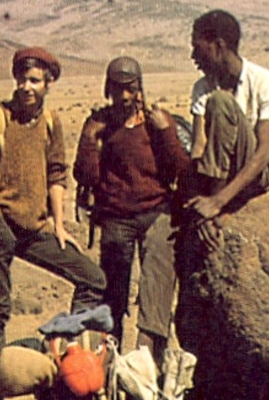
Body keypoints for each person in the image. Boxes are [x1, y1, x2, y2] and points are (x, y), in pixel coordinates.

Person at [0, 47, 108, 358]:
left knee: (92, 278)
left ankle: (72, 347)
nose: (26, 87)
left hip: (33, 226)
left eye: (34, 81)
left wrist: (59, 224)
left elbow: (57, 175)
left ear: (48, 83)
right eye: (22, 79)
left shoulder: (51, 122)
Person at [74, 56, 190, 361]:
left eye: (130, 88)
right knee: (113, 289)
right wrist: (89, 139)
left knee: (157, 282)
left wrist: (165, 131)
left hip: (156, 211)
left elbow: (181, 168)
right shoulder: (99, 124)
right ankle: (111, 360)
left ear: (139, 88)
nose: (123, 96)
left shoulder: (156, 121)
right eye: (116, 88)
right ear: (107, 88)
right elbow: (85, 176)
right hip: (116, 215)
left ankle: (148, 357)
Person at [182, 9, 269, 248]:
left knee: (220, 102)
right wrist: (197, 201)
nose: (193, 56)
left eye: (197, 47)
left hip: (257, 172)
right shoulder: (202, 87)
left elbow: (263, 153)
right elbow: (199, 145)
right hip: (218, 175)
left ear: (218, 46)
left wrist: (218, 202)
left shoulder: (266, 84)